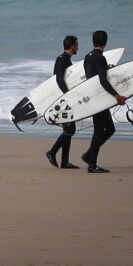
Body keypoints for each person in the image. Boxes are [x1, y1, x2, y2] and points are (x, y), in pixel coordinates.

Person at [81, 31, 127, 174]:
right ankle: (91, 161)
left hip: (92, 96)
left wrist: (106, 68)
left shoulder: (87, 57)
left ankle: (90, 156)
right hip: (99, 98)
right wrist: (116, 95)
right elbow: (102, 80)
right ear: (105, 42)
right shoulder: (100, 58)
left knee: (106, 129)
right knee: (101, 130)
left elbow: (92, 76)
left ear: (93, 41)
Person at [45, 36, 80, 169]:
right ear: (71, 46)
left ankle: (65, 162)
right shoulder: (61, 59)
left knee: (69, 129)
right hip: (62, 100)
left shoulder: (66, 60)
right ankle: (52, 152)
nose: (78, 47)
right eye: (76, 45)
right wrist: (68, 95)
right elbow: (58, 79)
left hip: (65, 99)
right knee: (70, 129)